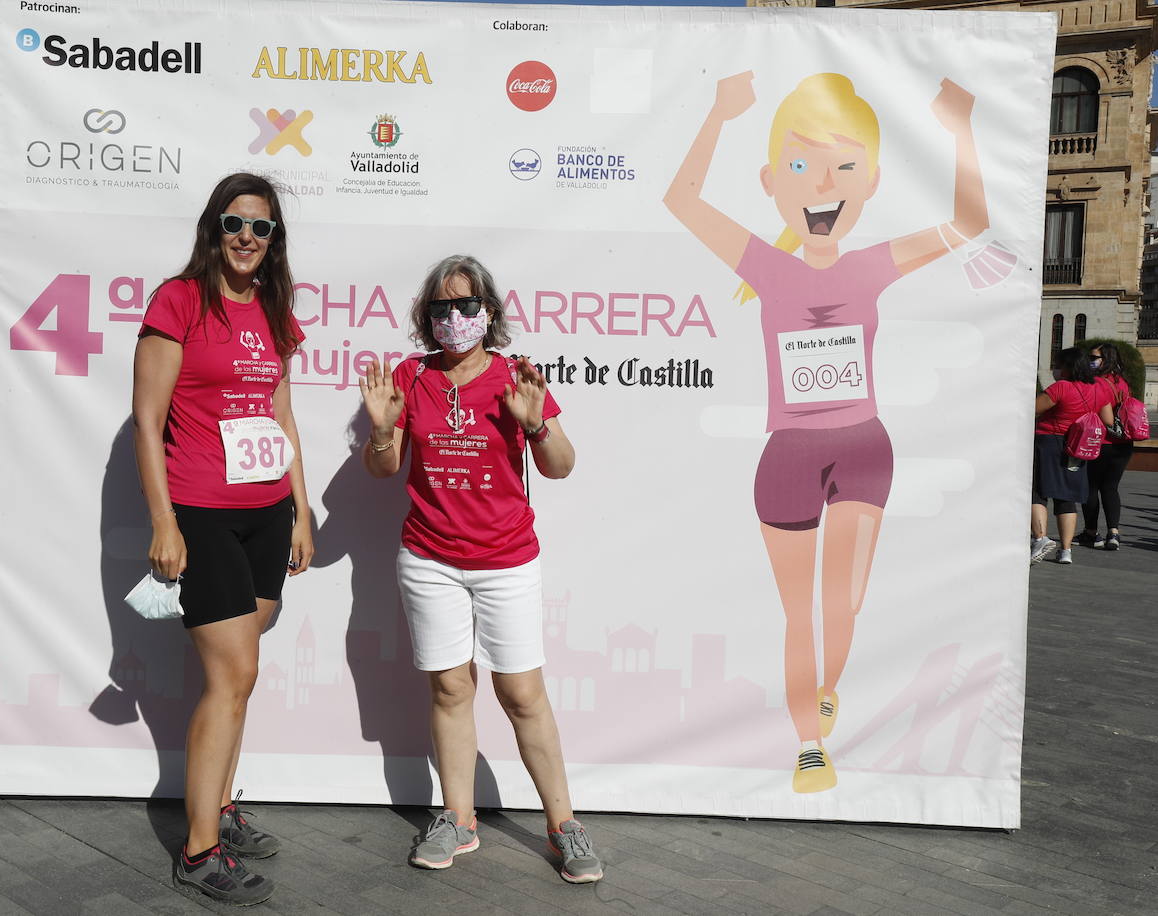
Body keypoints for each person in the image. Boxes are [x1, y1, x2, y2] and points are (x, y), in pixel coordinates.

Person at [663, 71, 988, 793]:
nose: (821, 185)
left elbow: (968, 226)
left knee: (843, 605)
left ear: (869, 182)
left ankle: (826, 686)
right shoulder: (765, 267)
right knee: (797, 612)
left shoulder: (874, 265)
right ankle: (810, 744)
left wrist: (960, 129)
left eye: (844, 167)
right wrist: (718, 114)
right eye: (802, 167)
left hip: (864, 449)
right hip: (789, 457)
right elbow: (680, 201)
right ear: (772, 180)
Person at [358, 255, 603, 884]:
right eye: (442, 307)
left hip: (506, 560)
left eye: (468, 306)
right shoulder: (410, 377)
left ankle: (564, 825)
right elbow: (384, 469)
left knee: (521, 693)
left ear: (489, 313)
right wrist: (383, 431)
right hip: (430, 558)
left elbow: (562, 465)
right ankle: (458, 818)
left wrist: (538, 421)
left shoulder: (513, 377)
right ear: (427, 316)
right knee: (450, 688)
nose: (455, 318)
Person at [132, 172, 312, 906]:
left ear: (274, 242)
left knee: (243, 673)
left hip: (267, 510)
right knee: (232, 675)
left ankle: (222, 807)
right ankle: (199, 848)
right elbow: (147, 420)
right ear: (215, 228)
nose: (247, 237)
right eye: (235, 223)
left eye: (261, 228)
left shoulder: (273, 309)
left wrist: (301, 510)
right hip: (202, 510)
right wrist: (164, 520)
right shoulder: (177, 301)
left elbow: (282, 415)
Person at [1032, 346, 1114, 564]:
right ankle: (1066, 550)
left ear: (1068, 367)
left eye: (1059, 365)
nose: (1057, 370)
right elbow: (1108, 420)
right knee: (1066, 497)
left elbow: (1033, 408)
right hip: (1078, 445)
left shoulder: (1061, 387)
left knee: (1038, 491)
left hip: (1049, 442)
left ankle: (1040, 538)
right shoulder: (1099, 388)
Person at [1079, 342, 1133, 550]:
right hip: (1123, 443)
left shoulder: (1097, 383)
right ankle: (1114, 533)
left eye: (1094, 358)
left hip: (1100, 441)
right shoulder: (1122, 382)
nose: (1090, 361)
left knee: (1090, 488)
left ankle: (1092, 533)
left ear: (1106, 359)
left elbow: (1103, 415)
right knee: (1111, 488)